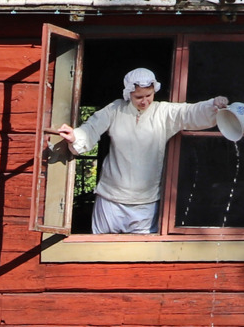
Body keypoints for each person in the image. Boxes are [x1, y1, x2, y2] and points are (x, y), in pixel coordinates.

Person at [50, 67, 230, 236]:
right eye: (138, 97)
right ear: (128, 93)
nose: (144, 101)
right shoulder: (115, 110)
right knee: (99, 252)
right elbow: (91, 128)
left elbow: (189, 113)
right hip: (110, 200)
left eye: (148, 95)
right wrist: (76, 136)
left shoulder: (163, 112)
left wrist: (213, 105)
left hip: (145, 203)